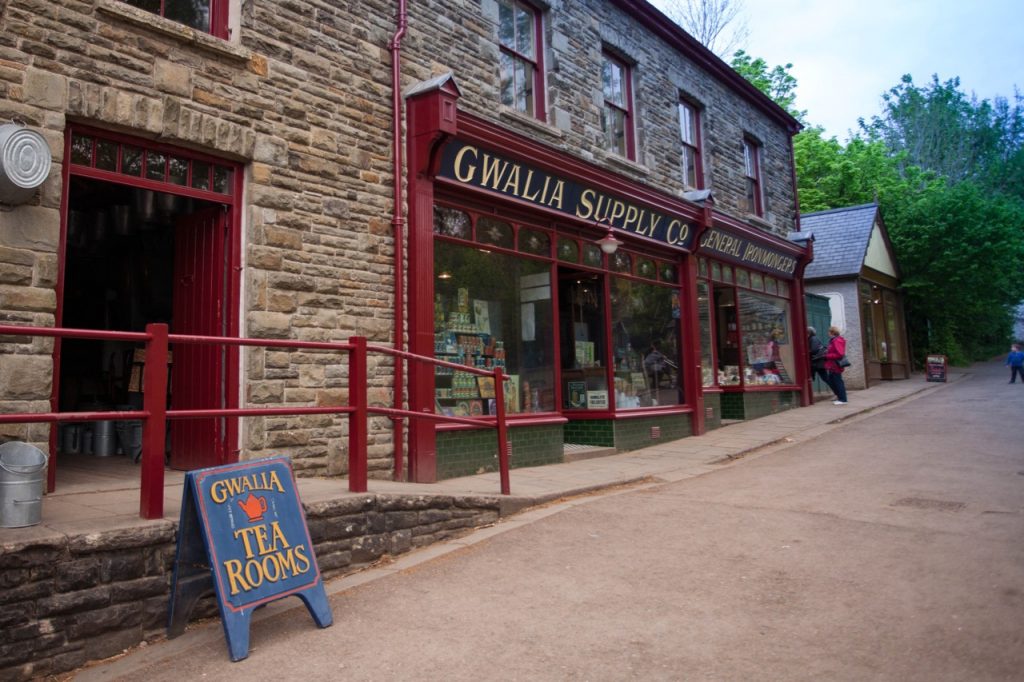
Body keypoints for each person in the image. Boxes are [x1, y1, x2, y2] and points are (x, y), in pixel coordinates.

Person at [823, 326, 848, 405]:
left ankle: (843, 399)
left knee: (838, 381)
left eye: (829, 332)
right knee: (832, 381)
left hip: (835, 365)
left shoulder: (836, 341)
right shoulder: (834, 340)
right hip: (832, 365)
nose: (828, 333)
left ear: (832, 332)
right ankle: (840, 397)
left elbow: (840, 354)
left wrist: (827, 356)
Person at [807, 326, 832, 396]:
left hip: (818, 363)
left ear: (809, 333)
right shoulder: (812, 338)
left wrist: (806, 352)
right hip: (817, 362)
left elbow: (814, 350)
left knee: (825, 378)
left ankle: (838, 393)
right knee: (825, 378)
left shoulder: (813, 339)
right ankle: (838, 392)